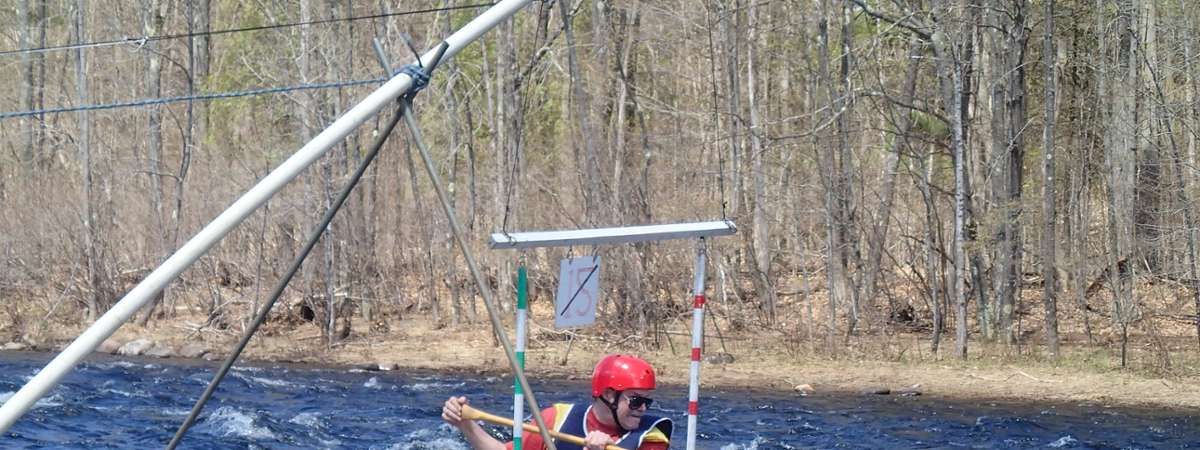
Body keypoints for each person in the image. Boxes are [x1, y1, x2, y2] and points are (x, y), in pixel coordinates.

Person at [442, 354, 672, 450]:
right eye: (635, 400)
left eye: (646, 401)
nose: (643, 408)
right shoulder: (556, 418)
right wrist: (466, 425)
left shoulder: (652, 438)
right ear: (609, 395)